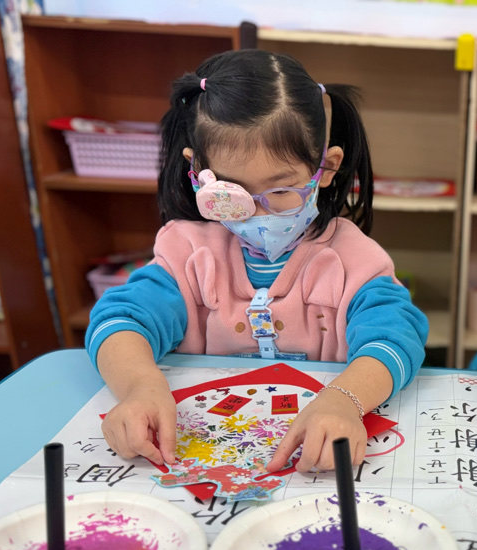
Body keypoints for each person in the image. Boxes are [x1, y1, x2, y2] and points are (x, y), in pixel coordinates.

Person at [87, 50, 427, 474]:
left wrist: (345, 400)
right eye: (231, 193)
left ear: (326, 168)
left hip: (313, 453)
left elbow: (396, 337)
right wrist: (140, 386)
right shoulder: (188, 253)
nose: (257, 215)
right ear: (197, 172)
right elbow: (121, 320)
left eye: (281, 192)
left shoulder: (353, 260)